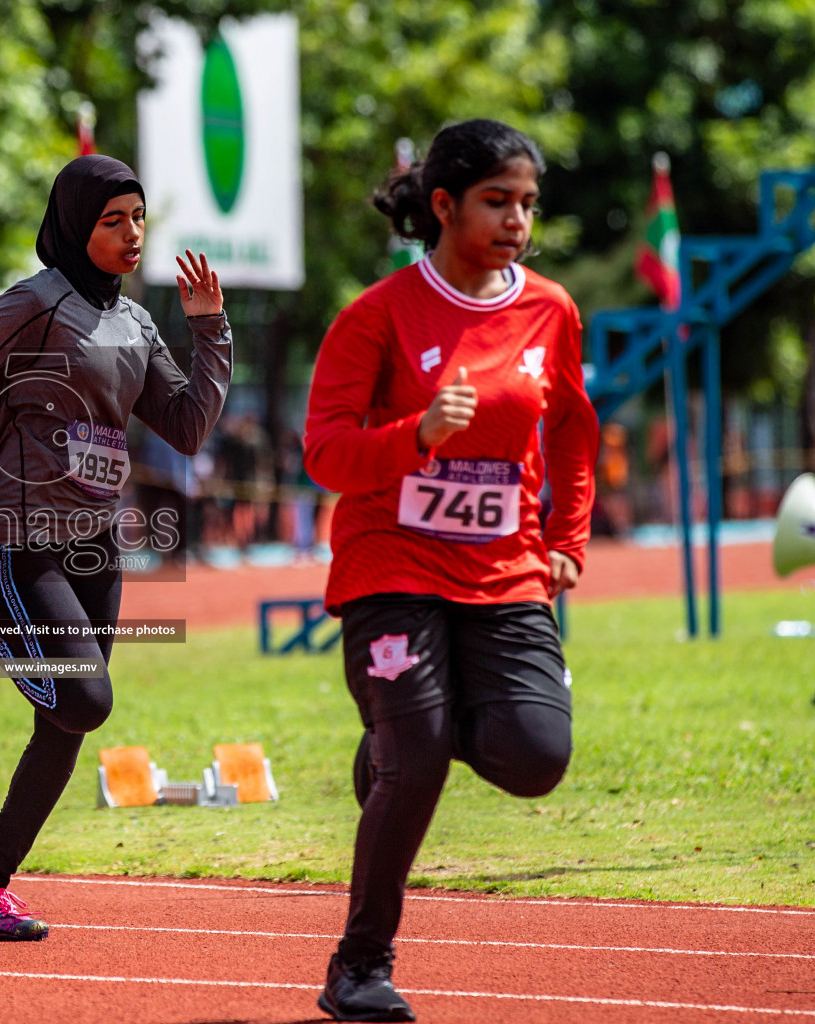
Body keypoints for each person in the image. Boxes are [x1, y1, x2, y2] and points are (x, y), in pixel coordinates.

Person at [302, 120, 598, 1022]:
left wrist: (567, 539)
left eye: (527, 204)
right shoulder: (379, 315)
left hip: (504, 569)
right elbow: (324, 453)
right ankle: (359, 967)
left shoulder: (550, 310)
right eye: (497, 202)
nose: (517, 220)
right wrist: (415, 436)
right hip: (388, 560)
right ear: (444, 205)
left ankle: (398, 737)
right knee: (420, 757)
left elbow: (574, 433)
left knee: (536, 756)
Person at [0, 154, 231, 940]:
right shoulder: (34, 303)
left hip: (98, 544)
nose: (132, 234)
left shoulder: (137, 323)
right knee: (85, 700)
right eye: (113, 219)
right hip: (23, 539)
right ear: (76, 224)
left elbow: (186, 427)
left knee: (65, 725)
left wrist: (209, 330)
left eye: (140, 218)